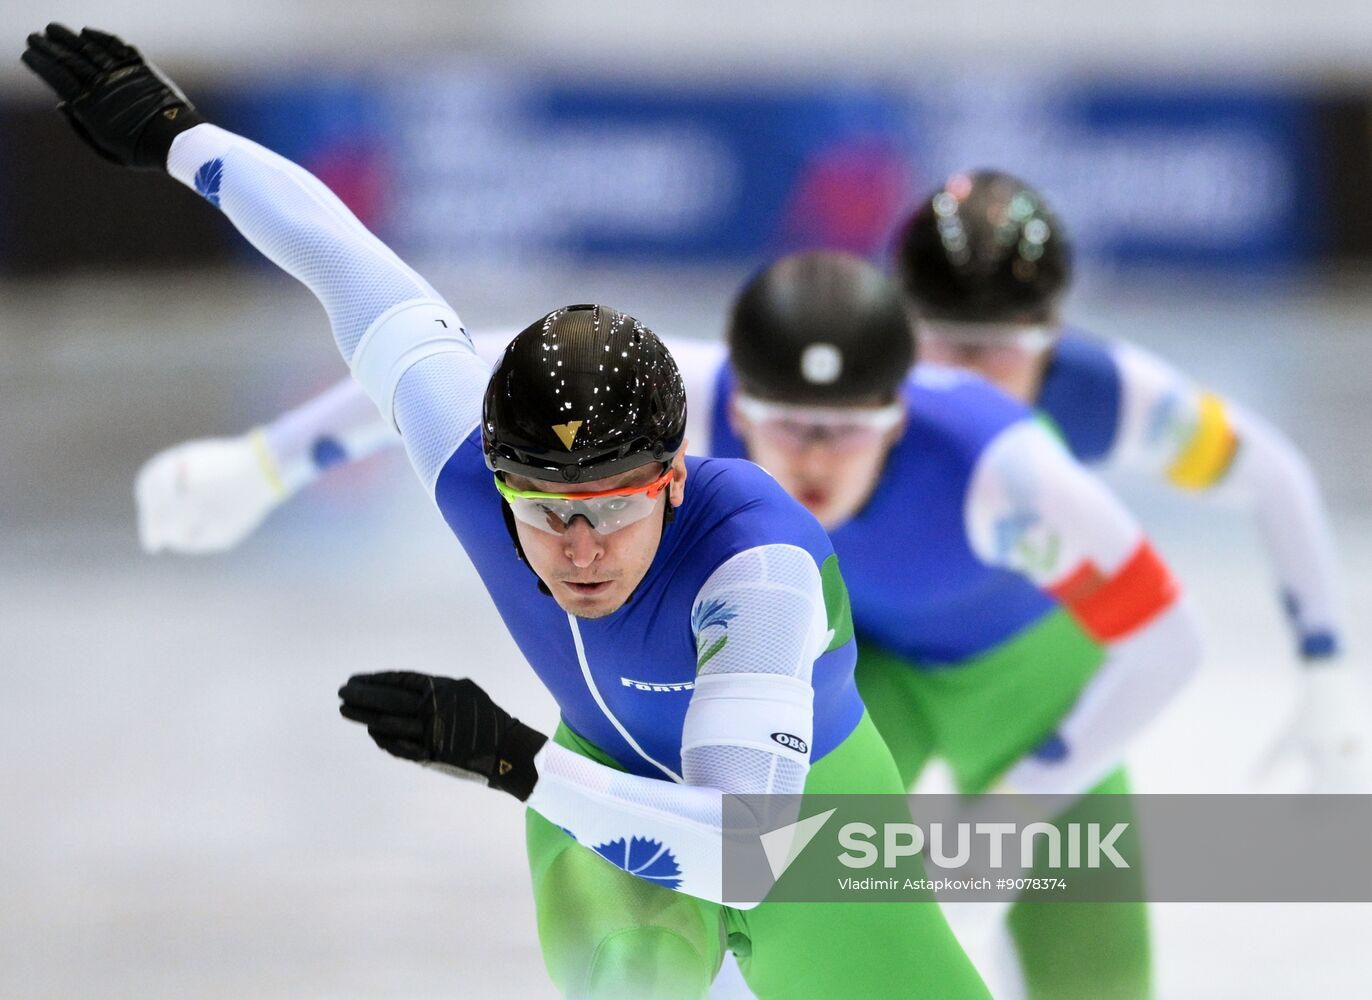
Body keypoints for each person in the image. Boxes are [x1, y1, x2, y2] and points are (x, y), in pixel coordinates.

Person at [21, 24, 993, 1000]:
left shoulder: (757, 564)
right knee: (634, 979)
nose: (578, 549)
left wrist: (517, 762)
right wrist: (177, 136)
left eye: (612, 509)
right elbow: (346, 262)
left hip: (803, 829)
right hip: (609, 796)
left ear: (671, 481)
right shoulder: (468, 467)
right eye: (541, 510)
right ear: (499, 481)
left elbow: (747, 856)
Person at [131, 243, 1204, 997]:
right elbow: (449, 364)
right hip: (841, 669)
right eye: (779, 426)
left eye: (843, 433)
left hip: (962, 674)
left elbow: (1173, 633)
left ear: (899, 417)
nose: (809, 461)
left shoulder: (1003, 467)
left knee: (1086, 967)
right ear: (727, 412)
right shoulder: (670, 402)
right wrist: (263, 463)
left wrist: (1027, 794)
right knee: (703, 908)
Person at [895, 168, 1370, 794]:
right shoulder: (856, 393)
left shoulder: (1101, 392)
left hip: (1025, 668)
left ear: (1052, 334)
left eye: (1002, 346)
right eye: (949, 345)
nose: (974, 375)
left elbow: (1274, 474)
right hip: (880, 667)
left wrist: (1325, 665)